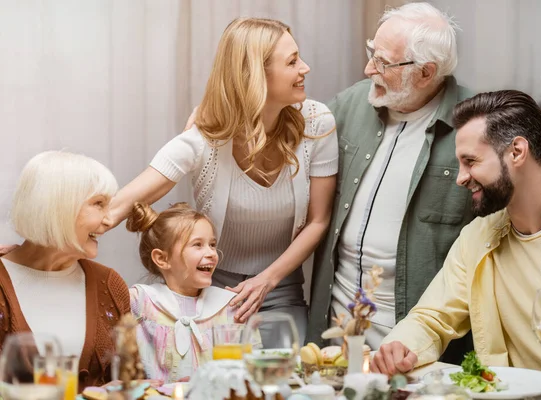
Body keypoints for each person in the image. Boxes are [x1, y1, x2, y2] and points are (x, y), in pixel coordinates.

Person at [108, 17, 338, 343]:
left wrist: (267, 281)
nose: (306, 67)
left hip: (280, 287)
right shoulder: (206, 137)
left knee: (286, 383)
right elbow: (120, 204)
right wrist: (33, 249)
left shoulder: (316, 122)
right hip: (208, 287)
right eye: (292, 61)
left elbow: (319, 220)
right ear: (257, 75)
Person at [371, 90, 541, 390]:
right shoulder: (475, 238)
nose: (461, 177)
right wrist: (400, 345)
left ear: (517, 152)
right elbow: (431, 318)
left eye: (471, 161)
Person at [307, 2, 474, 360]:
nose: (369, 69)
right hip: (334, 337)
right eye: (372, 54)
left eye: (383, 62)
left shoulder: (476, 123)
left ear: (426, 72)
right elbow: (284, 137)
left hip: (412, 346)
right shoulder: (349, 105)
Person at [0, 151, 130, 388]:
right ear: (58, 206)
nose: (109, 220)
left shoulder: (110, 284)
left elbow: (130, 379)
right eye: (99, 204)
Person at [127, 202, 244, 382]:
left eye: (212, 245)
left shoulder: (230, 306)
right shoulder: (140, 302)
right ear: (162, 259)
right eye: (197, 245)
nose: (212, 253)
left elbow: (251, 370)